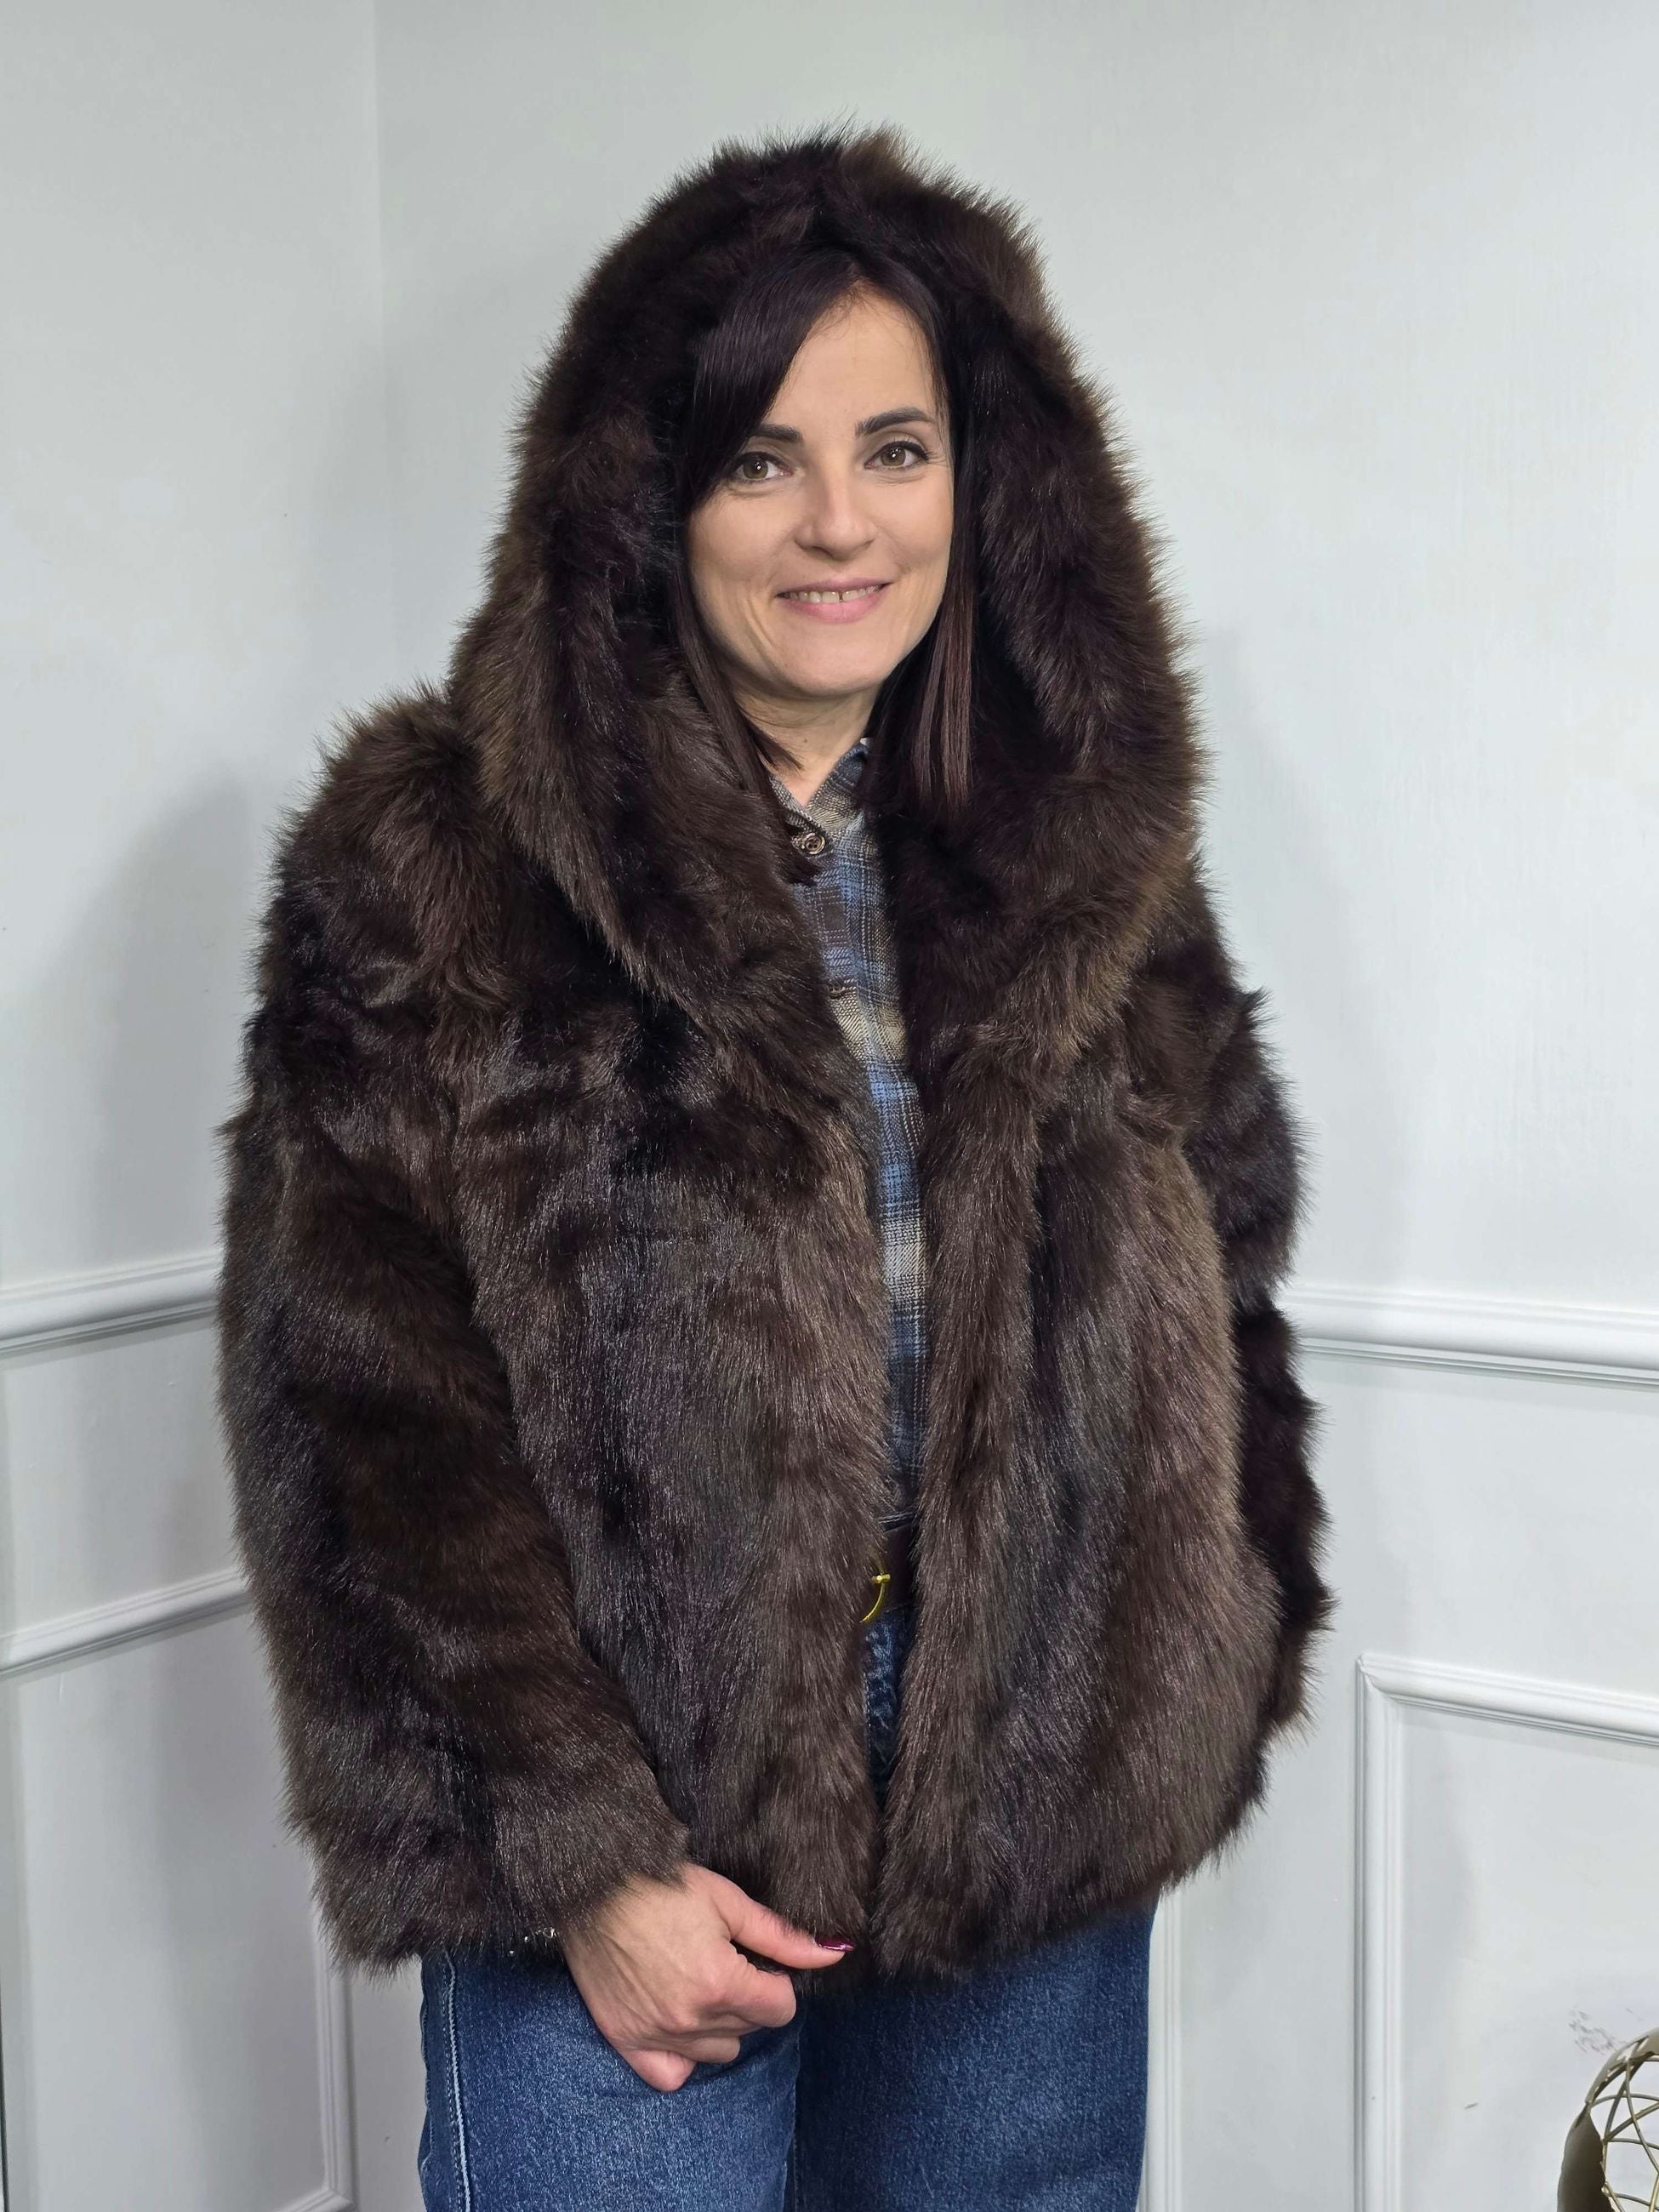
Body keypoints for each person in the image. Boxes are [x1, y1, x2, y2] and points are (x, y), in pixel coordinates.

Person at [214, 120, 1337, 2209]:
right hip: (632, 1797)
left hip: (1030, 1788)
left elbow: (1233, 1254)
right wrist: (578, 1849)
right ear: (647, 494)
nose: (842, 522)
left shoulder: (1086, 855)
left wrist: (1198, 1642)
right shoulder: (434, 862)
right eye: (763, 459)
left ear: (985, 482)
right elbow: (359, 1403)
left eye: (897, 450)